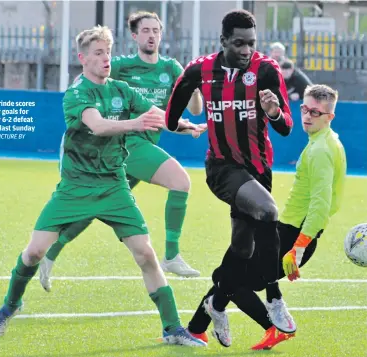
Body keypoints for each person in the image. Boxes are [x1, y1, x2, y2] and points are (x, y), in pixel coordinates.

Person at [0, 25, 206, 347]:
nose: (106, 59)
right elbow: (98, 126)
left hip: (114, 185)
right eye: (99, 53)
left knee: (145, 254)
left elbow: (156, 113)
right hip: (75, 186)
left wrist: (185, 126)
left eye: (109, 52)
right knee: (34, 252)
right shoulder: (77, 93)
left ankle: (172, 328)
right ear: (83, 58)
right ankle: (11, 304)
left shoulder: (121, 90)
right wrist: (135, 124)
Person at [39, 11, 204, 292]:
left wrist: (193, 85)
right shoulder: (119, 65)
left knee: (93, 208)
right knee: (181, 181)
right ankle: (171, 256)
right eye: (146, 30)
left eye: (156, 30)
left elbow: (196, 109)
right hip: (129, 142)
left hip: (140, 146)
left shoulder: (172, 68)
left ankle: (48, 256)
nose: (152, 35)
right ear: (135, 36)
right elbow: (89, 79)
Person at [165, 9, 297, 347]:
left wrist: (274, 112)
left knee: (242, 248)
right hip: (223, 169)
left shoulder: (266, 71)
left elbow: (285, 127)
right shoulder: (200, 70)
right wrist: (186, 96)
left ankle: (216, 303)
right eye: (238, 43)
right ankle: (274, 296)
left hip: (258, 171)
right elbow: (169, 119)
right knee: (268, 212)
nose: (246, 50)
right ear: (223, 41)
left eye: (251, 43)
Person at [185, 84, 347, 350]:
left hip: (292, 236)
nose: (307, 116)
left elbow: (321, 204)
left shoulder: (320, 151)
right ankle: (197, 329)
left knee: (229, 279)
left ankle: (271, 327)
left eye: (315, 112)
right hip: (287, 230)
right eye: (305, 108)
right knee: (227, 272)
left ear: (330, 116)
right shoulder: (327, 141)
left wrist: (299, 246)